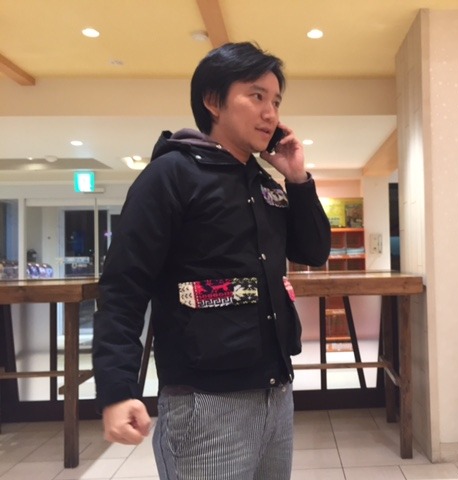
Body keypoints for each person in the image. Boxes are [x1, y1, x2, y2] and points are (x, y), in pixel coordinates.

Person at [92, 42, 331, 480]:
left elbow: (314, 252)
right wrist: (117, 389)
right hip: (204, 405)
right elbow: (124, 286)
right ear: (213, 101)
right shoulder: (171, 174)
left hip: (277, 395)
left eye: (276, 101)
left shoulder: (264, 183)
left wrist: (297, 179)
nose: (270, 113)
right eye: (256, 96)